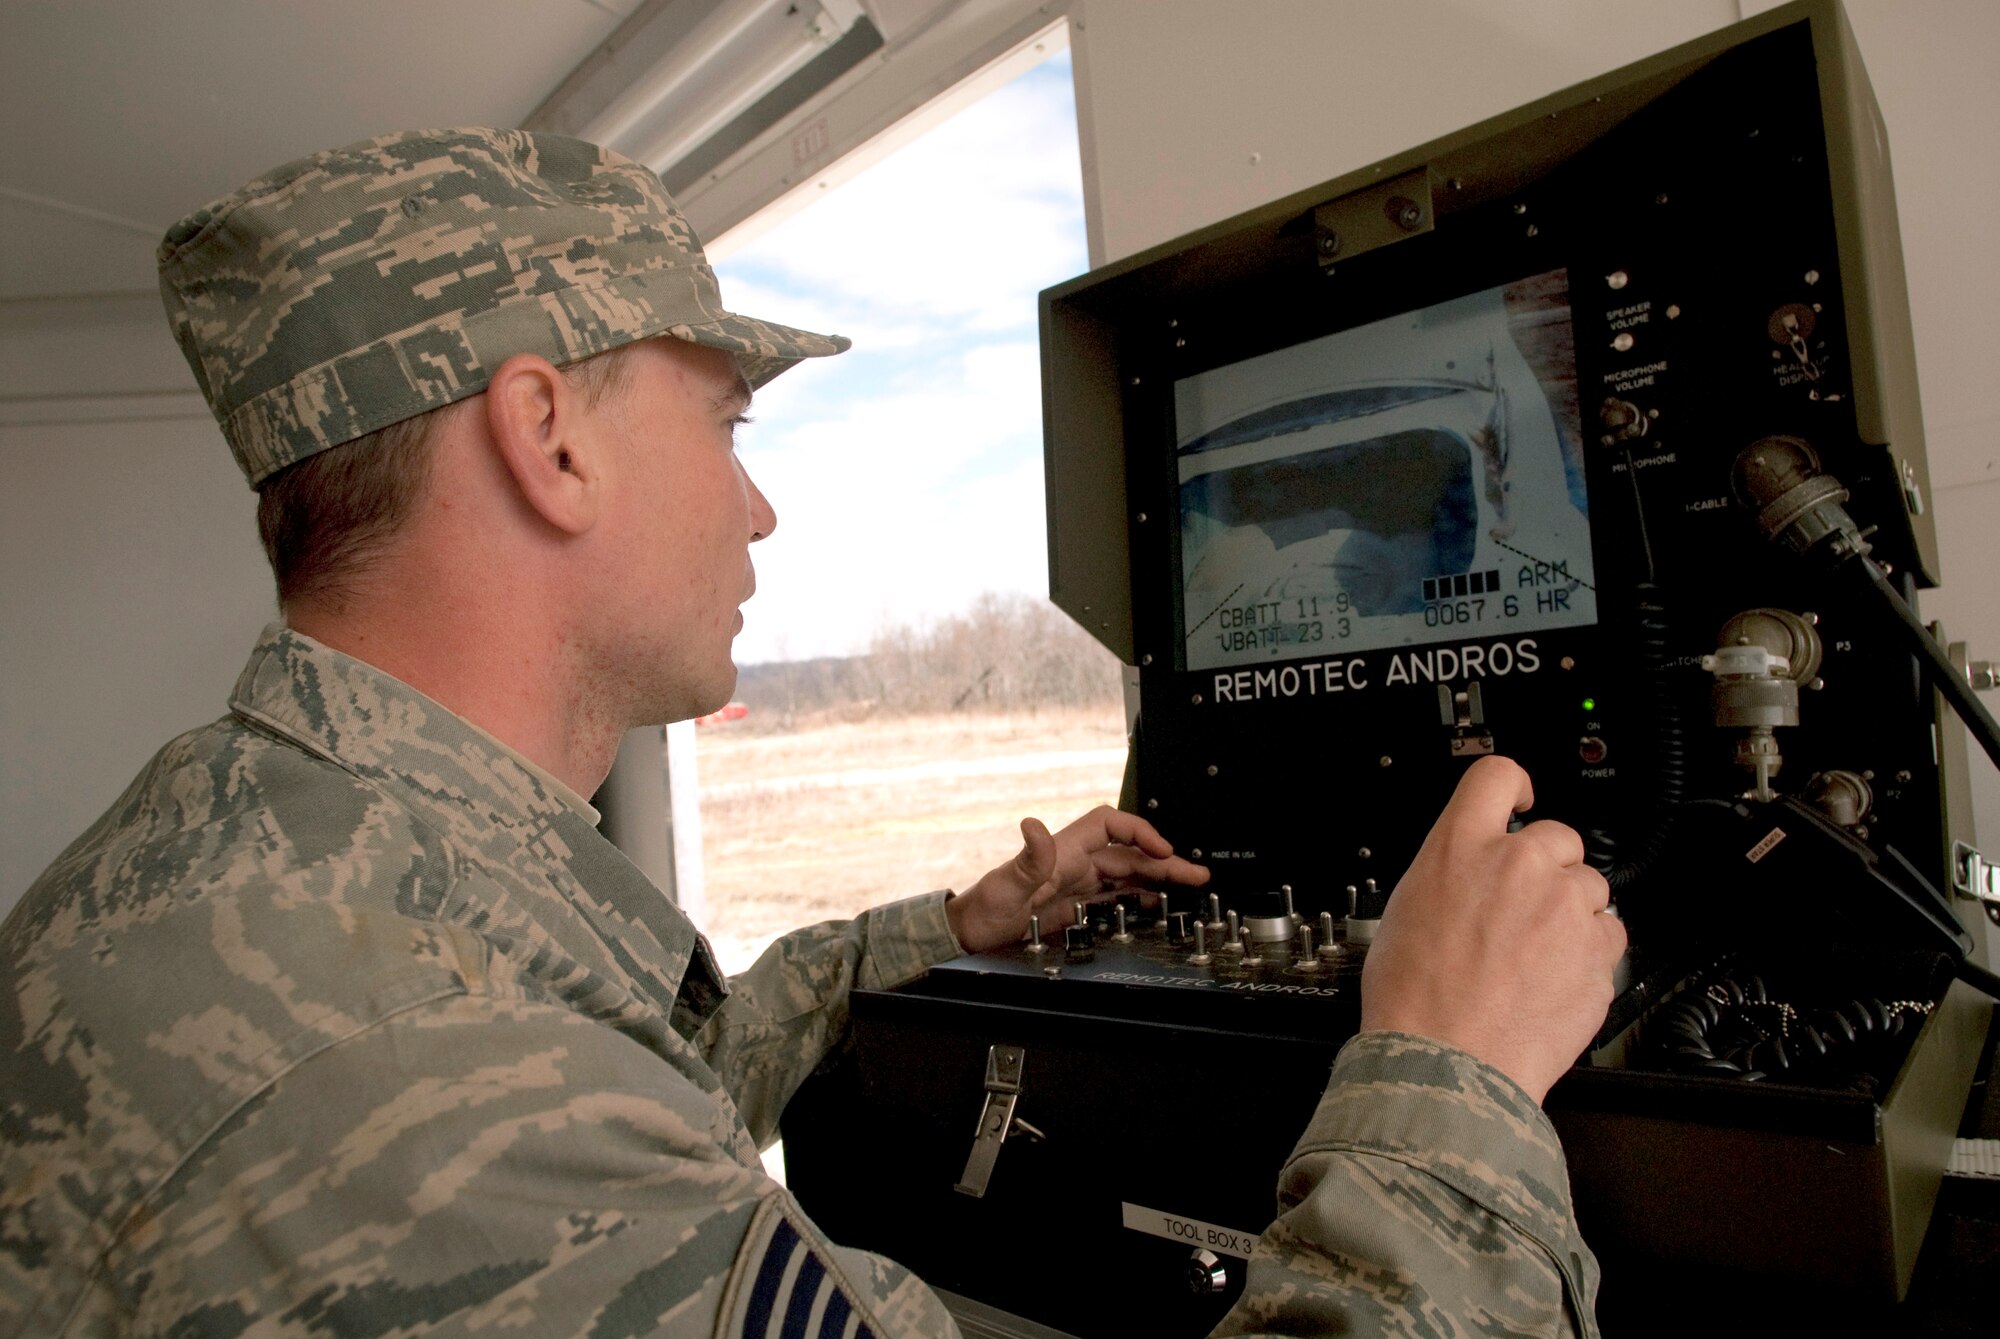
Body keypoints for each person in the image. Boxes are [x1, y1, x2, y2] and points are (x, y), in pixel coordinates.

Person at [0, 128, 1625, 1338]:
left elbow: (634, 1081)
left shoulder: (266, 871)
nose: (760, 504)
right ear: (547, 439)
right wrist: (1454, 1079)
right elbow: (529, 1114)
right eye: (724, 420)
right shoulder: (418, 1076)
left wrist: (938, 932)